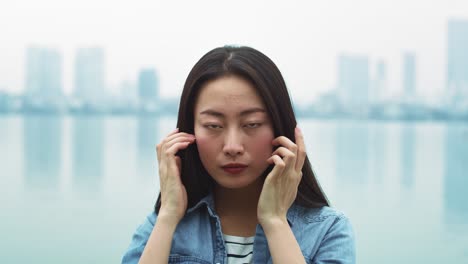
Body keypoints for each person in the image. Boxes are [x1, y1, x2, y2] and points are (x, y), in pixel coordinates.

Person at [122, 46, 355, 264]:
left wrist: (275, 222)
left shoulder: (328, 230)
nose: (232, 146)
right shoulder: (162, 225)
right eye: (213, 125)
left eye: (252, 124)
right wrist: (168, 216)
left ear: (280, 128)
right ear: (189, 132)